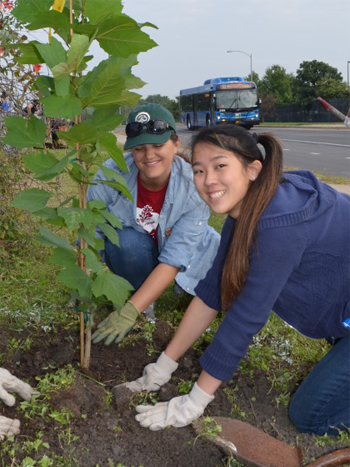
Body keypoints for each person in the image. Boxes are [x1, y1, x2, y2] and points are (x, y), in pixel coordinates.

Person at [122, 124, 350, 436]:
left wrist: (193, 402)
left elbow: (245, 317)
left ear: (253, 169)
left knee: (310, 415)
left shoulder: (278, 225)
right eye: (199, 171)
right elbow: (213, 292)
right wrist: (163, 366)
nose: (208, 181)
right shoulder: (246, 208)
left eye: (220, 166)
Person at [88, 103, 220, 344]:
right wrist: (84, 284)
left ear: (176, 143)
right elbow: (92, 233)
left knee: (219, 299)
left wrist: (127, 312)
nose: (149, 156)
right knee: (125, 242)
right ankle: (143, 299)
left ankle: (177, 292)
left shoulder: (194, 186)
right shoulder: (110, 176)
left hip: (191, 258)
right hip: (138, 250)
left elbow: (175, 255)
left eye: (158, 146)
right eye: (139, 148)